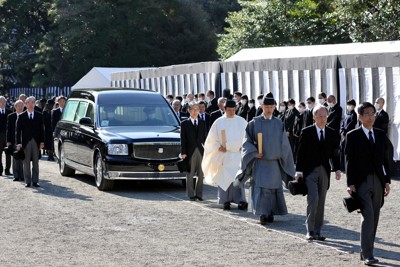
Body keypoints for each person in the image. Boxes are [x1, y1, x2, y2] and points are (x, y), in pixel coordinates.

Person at [236, 96, 295, 225]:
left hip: (274, 162)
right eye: (266, 107)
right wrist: (254, 152)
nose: (269, 109)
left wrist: (283, 157)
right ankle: (263, 213)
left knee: (274, 188)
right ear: (262, 106)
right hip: (261, 162)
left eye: (271, 107)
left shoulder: (279, 123)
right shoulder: (254, 122)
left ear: (274, 107)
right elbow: (247, 141)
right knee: (261, 188)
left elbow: (284, 144)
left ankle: (272, 212)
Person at [345, 102, 391, 265]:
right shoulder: (352, 135)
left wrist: (386, 181)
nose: (371, 117)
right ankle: (368, 254)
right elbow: (349, 161)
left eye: (373, 113)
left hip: (378, 181)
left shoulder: (380, 134)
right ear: (360, 117)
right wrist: (350, 183)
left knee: (375, 217)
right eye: (367, 114)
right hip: (362, 182)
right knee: (368, 217)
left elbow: (384, 160)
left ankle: (365, 251)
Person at [295, 105, 341, 241]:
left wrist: (337, 169)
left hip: (325, 171)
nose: (322, 119)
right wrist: (299, 170)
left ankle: (318, 231)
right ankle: (309, 230)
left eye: (325, 116)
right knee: (313, 198)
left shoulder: (332, 132)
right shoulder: (307, 132)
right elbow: (300, 153)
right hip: (310, 171)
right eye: (320, 116)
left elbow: (335, 153)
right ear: (314, 117)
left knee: (321, 201)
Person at [202, 100, 248, 210]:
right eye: (229, 110)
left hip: (237, 154)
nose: (231, 112)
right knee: (224, 178)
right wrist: (219, 146)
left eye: (233, 110)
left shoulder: (241, 121)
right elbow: (212, 139)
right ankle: (225, 201)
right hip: (224, 155)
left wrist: (240, 146)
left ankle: (240, 200)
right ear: (224, 109)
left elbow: (247, 137)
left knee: (237, 178)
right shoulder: (219, 122)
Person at [180, 103, 208, 201]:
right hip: (189, 151)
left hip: (201, 150)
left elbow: (205, 138)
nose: (196, 111)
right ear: (189, 110)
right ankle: (190, 194)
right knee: (190, 173)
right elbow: (183, 139)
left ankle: (199, 194)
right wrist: (183, 152)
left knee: (201, 174)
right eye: (193, 109)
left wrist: (208, 150)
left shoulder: (203, 122)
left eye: (197, 109)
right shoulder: (184, 123)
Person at [16, 96, 44, 187]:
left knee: (36, 162)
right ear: (26, 104)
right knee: (26, 162)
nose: (31, 104)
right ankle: (27, 181)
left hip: (36, 141)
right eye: (29, 102)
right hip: (25, 142)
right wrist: (18, 143)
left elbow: (41, 130)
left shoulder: (39, 115)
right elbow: (18, 131)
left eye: (33, 102)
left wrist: (42, 142)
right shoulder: (21, 116)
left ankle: (35, 180)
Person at [6, 100, 25, 181]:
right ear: (15, 107)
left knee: (23, 158)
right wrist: (8, 141)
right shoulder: (11, 116)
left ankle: (22, 175)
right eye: (18, 106)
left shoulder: (25, 115)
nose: (20, 107)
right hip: (14, 140)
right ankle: (16, 175)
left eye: (21, 106)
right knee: (15, 157)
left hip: (23, 140)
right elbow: (8, 130)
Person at [339, 99, 357, 172]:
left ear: (354, 106)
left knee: (347, 151)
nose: (349, 106)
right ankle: (341, 166)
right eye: (348, 105)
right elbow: (343, 123)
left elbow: (352, 124)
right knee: (341, 150)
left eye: (351, 105)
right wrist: (341, 131)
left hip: (349, 135)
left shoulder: (354, 115)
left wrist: (345, 132)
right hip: (343, 135)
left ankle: (347, 167)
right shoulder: (346, 114)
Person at [0, 96, 12, 176]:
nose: (3, 103)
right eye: (1, 101)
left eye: (4, 101)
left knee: (8, 154)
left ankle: (7, 170)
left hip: (8, 137)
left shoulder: (9, 112)